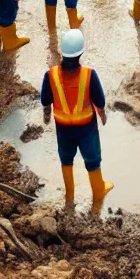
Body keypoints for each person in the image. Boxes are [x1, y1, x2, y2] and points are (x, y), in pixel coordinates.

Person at [41, 28, 113, 208]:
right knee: (92, 159)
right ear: (81, 52)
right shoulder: (89, 74)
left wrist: (47, 115)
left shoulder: (51, 75)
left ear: (62, 53)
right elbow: (100, 101)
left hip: (63, 128)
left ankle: (70, 196)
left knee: (66, 159)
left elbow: (45, 100)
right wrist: (102, 114)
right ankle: (98, 192)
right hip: (86, 128)